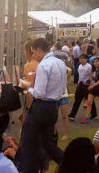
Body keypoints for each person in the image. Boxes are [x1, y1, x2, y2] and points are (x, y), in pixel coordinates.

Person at [19, 37, 66, 173]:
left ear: (39, 50)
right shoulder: (60, 63)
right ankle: (71, 164)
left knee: (28, 144)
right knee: (48, 144)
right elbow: (62, 89)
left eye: (34, 52)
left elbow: (38, 92)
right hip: (52, 107)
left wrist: (27, 87)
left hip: (40, 107)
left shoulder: (43, 66)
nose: (33, 55)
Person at [68, 54, 96, 121]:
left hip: (86, 85)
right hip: (80, 84)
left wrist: (91, 84)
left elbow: (92, 75)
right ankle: (72, 115)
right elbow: (80, 76)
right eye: (80, 58)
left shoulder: (89, 66)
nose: (81, 60)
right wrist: (78, 82)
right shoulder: (79, 66)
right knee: (77, 100)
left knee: (90, 100)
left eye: (83, 58)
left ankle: (94, 114)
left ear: (86, 59)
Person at [81, 57, 99, 123]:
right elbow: (92, 79)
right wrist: (90, 85)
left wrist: (93, 85)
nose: (95, 63)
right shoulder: (93, 70)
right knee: (89, 103)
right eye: (94, 61)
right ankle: (86, 117)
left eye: (97, 61)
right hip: (93, 89)